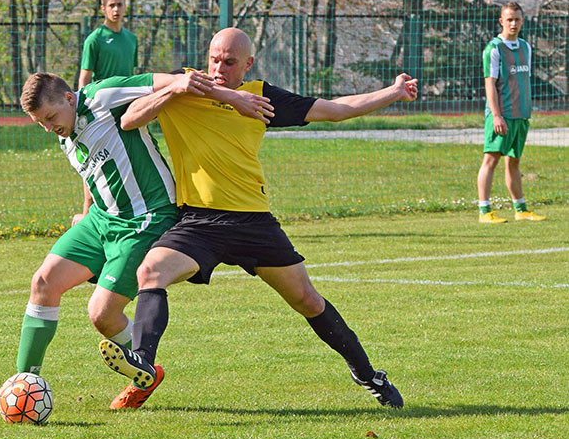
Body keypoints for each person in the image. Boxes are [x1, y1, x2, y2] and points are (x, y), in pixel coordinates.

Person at [97, 27, 418, 409]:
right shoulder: (185, 87)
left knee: (308, 301)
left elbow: (336, 110)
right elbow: (130, 119)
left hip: (253, 223)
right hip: (199, 222)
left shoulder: (261, 97)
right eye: (214, 58)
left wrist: (394, 92)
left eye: (229, 62)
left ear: (247, 64)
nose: (218, 68)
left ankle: (368, 374)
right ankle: (143, 366)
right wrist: (176, 89)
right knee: (151, 272)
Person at [0, 70, 271, 410]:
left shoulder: (102, 96)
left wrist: (234, 98)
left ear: (70, 98)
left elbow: (177, 80)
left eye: (50, 118)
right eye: (40, 122)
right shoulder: (65, 130)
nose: (48, 128)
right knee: (43, 282)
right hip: (101, 220)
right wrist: (85, 211)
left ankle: (147, 372)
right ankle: (21, 385)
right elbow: (90, 172)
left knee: (101, 314)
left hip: (146, 218)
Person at [477, 2, 545, 223]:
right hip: (501, 116)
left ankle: (521, 209)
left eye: (517, 19)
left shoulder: (526, 47)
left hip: (521, 115)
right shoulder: (494, 49)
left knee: (514, 161)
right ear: (501, 21)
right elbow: (490, 84)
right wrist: (496, 115)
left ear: (523, 21)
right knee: (491, 159)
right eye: (509, 19)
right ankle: (484, 211)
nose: (513, 23)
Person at [78, 0, 137, 90]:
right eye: (111, 5)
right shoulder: (94, 39)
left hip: (128, 99)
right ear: (103, 9)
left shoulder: (132, 39)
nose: (116, 9)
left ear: (125, 7)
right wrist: (81, 104)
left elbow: (133, 73)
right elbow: (84, 78)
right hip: (102, 100)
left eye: (119, 5)